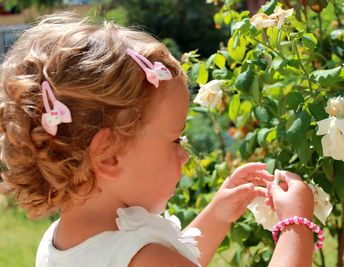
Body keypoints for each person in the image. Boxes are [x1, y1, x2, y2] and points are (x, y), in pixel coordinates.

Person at [0, 12, 315, 267]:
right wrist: (296, 227)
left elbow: (175, 257)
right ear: (109, 156)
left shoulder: (61, 242)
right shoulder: (143, 256)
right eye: (176, 140)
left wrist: (218, 213)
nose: (185, 155)